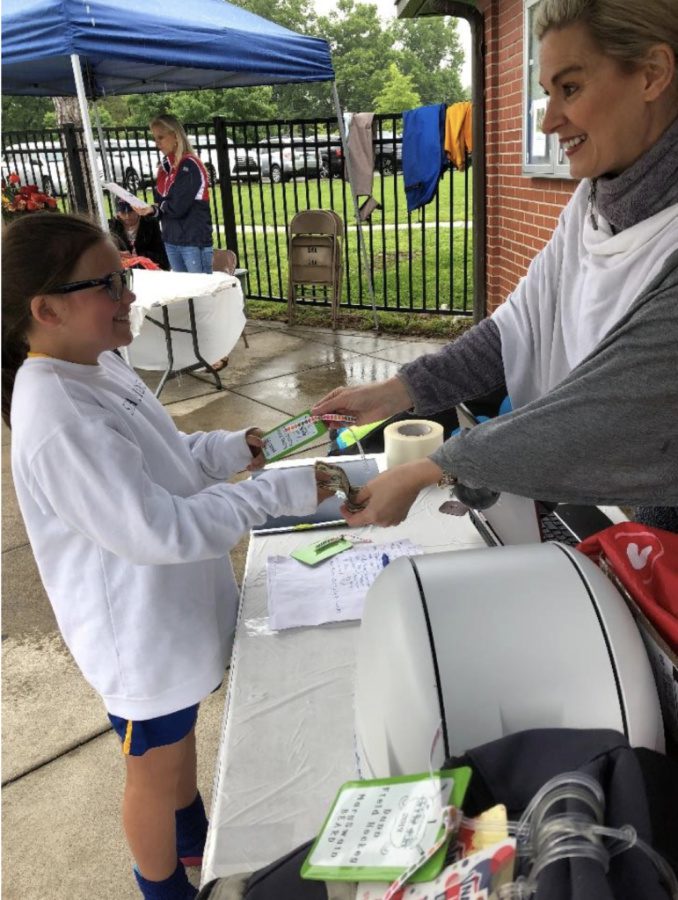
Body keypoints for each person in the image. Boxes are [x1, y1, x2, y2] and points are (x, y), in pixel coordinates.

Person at [1, 212, 332, 900]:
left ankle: (191, 844)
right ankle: (163, 888)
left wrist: (237, 451)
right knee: (151, 773)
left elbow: (168, 455)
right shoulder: (57, 417)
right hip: (137, 639)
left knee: (176, 748)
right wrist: (272, 492)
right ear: (47, 309)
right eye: (111, 283)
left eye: (126, 275)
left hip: (169, 619)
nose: (130, 295)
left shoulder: (97, 365)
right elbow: (160, 530)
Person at [312, 0, 678, 531]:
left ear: (653, 74)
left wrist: (430, 470)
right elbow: (514, 331)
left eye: (570, 88)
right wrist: (395, 393)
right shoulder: (589, 205)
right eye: (548, 92)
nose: (550, 119)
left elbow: (605, 412)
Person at [138, 114, 213, 275]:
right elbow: (161, 204)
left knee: (199, 292)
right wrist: (151, 209)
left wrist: (156, 208)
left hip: (192, 241)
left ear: (175, 136)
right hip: (171, 238)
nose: (157, 144)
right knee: (184, 293)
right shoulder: (165, 167)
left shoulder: (189, 165)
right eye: (155, 138)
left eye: (161, 137)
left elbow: (177, 206)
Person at [109, 197, 170, 270]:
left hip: (149, 268)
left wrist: (140, 255)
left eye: (131, 212)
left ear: (138, 210)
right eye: (123, 213)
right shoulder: (113, 226)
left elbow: (162, 254)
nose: (127, 216)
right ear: (117, 214)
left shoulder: (150, 223)